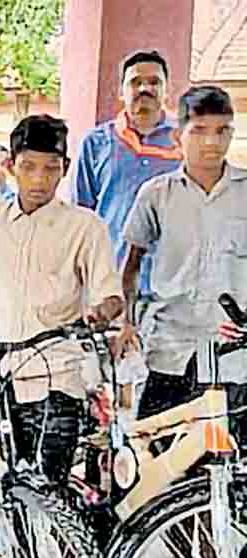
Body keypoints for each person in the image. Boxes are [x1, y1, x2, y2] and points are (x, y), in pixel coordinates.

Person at [0, 115, 123, 483]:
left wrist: (99, 314)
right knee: (1, 481)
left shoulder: (85, 226)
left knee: (50, 487)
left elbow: (111, 295)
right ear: (12, 167)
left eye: (50, 169)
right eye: (28, 167)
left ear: (66, 169)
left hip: (57, 375)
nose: (39, 179)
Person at [120, 86, 246, 428]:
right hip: (169, 350)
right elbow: (130, 266)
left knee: (229, 469)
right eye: (199, 131)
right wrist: (127, 323)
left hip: (234, 358)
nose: (211, 143)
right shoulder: (156, 195)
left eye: (221, 131)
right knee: (157, 459)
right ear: (179, 136)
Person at [73, 50, 181, 304]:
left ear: (167, 90)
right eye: (135, 82)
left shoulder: (186, 141)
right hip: (109, 284)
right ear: (121, 91)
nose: (145, 88)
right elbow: (81, 215)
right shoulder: (96, 143)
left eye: (154, 82)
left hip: (172, 285)